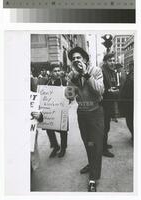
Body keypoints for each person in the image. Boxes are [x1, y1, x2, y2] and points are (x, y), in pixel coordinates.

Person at [67, 46, 104, 192]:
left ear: (85, 59)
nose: (76, 60)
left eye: (78, 58)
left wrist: (86, 74)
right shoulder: (72, 75)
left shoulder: (96, 71)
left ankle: (93, 178)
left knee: (96, 145)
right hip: (82, 113)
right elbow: (69, 96)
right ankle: (91, 164)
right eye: (73, 59)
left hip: (95, 112)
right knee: (88, 143)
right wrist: (71, 80)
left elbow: (100, 90)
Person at [101, 53, 126, 157]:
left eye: (113, 60)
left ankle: (104, 144)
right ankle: (102, 149)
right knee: (104, 126)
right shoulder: (102, 71)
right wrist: (108, 91)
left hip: (110, 102)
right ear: (105, 62)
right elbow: (99, 89)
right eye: (110, 60)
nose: (112, 62)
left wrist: (114, 89)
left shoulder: (112, 71)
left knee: (107, 126)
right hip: (104, 103)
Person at [46, 64, 68, 158]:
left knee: (63, 130)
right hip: (51, 110)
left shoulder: (64, 82)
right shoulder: (47, 83)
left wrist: (69, 99)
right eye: (55, 71)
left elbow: (70, 95)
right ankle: (55, 146)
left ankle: (63, 148)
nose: (58, 73)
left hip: (62, 110)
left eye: (59, 70)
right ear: (51, 72)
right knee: (48, 128)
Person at [119, 62, 134, 144]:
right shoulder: (130, 74)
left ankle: (135, 138)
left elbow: (126, 89)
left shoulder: (132, 75)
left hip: (130, 103)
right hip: (130, 102)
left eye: (131, 66)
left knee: (130, 121)